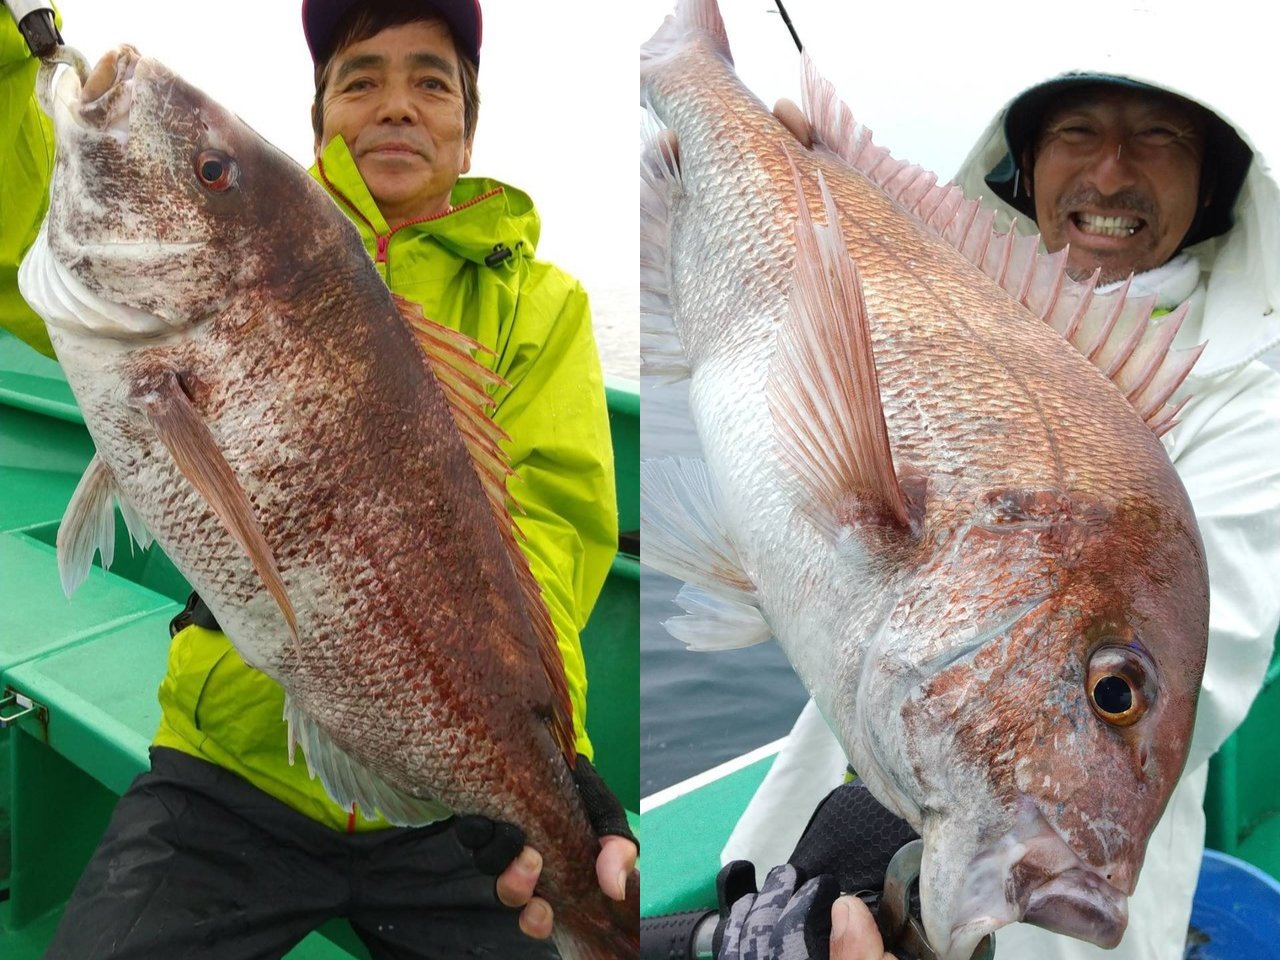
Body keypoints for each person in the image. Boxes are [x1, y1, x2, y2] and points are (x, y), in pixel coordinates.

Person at [0, 1, 637, 956]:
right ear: (316, 120)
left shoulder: (545, 306)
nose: (396, 105)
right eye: (359, 78)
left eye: (431, 81)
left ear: (468, 125)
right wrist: (14, 61)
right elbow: (23, 223)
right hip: (228, 769)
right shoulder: (241, 250)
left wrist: (556, 761)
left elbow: (550, 532)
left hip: (443, 822)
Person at [720, 69, 1280, 959]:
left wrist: (930, 825)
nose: (1108, 173)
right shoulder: (938, 289)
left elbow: (1200, 677)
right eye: (1076, 132)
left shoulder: (1252, 398)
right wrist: (780, 190)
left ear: (1214, 180)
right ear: (1023, 161)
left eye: (1161, 139)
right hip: (839, 795)